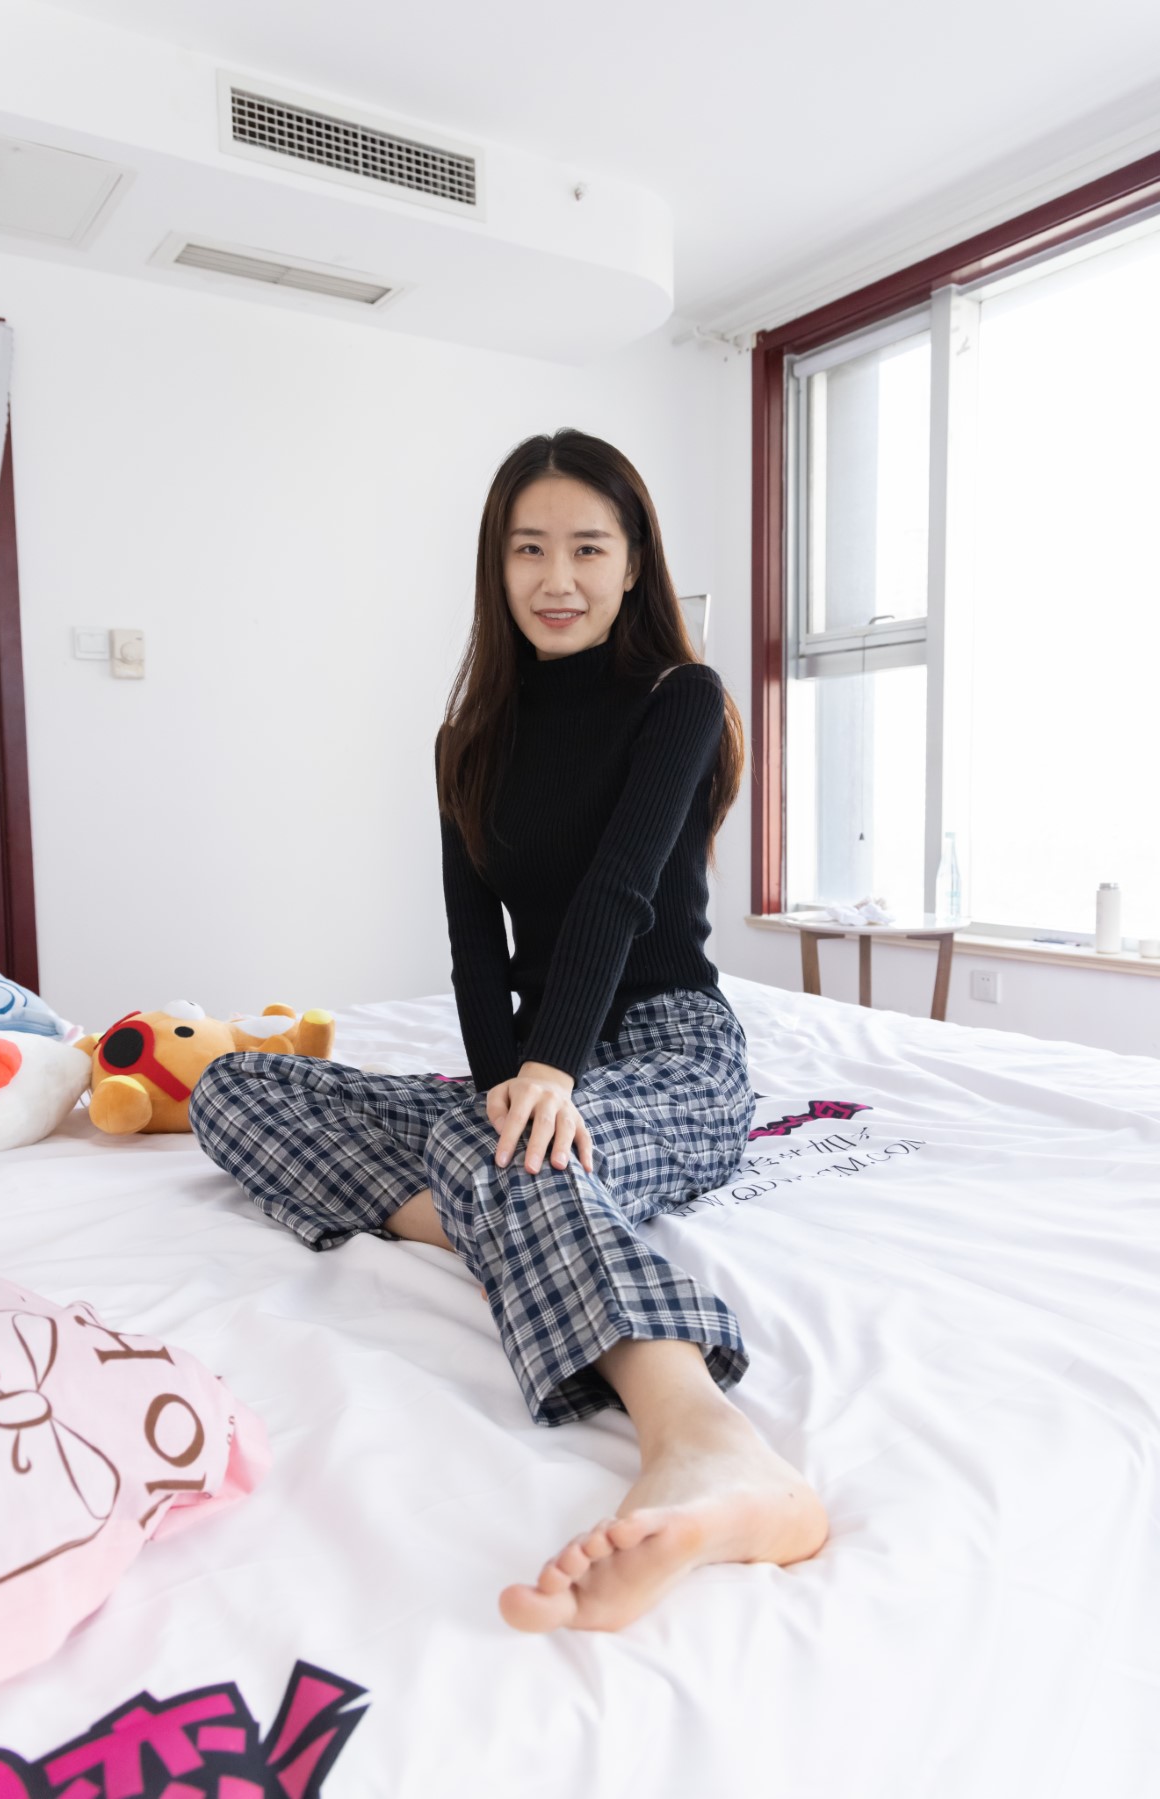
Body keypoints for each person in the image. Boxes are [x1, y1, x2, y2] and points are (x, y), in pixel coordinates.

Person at [189, 429, 828, 1633]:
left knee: (520, 1150)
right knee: (233, 1087)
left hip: (669, 1044)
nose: (558, 577)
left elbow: (620, 893)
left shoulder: (682, 699)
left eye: (588, 547)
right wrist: (507, 1081)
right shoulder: (467, 742)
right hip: (537, 1061)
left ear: (633, 562)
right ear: (497, 565)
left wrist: (548, 1073)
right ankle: (503, 1192)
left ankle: (710, 1442)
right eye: (530, 549)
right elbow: (476, 954)